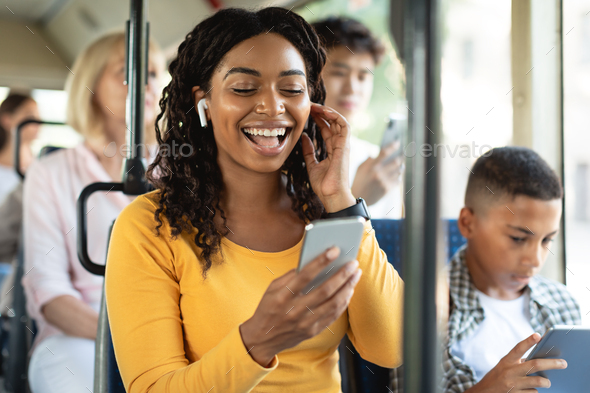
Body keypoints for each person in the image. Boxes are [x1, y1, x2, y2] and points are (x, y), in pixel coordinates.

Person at [105, 7, 403, 393]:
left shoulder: (327, 215)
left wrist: (341, 202)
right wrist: (258, 341)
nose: (273, 107)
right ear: (204, 103)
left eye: (292, 90)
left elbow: (392, 348)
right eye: (245, 88)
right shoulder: (148, 226)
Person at [22, 32, 165, 393]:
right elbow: (49, 289)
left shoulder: (178, 171)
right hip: (79, 336)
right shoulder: (52, 172)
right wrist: (124, 339)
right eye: (127, 71)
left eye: (151, 74)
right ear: (91, 86)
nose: (144, 85)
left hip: (168, 332)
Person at [390, 147, 581, 392]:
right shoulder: (423, 310)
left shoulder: (563, 304)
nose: (535, 260)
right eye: (518, 239)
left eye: (546, 241)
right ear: (467, 224)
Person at [312, 17, 404, 219]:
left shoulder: (377, 168)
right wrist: (356, 199)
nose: (352, 88)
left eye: (362, 76)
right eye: (338, 73)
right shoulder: (285, 157)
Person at [0, 93, 40, 203]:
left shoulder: (42, 165)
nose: (38, 122)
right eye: (30, 116)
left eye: (38, 116)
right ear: (7, 120)